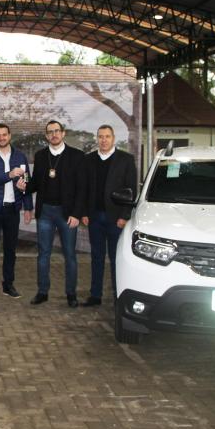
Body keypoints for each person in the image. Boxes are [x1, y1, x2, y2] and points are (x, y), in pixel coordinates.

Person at [18, 120, 85, 307]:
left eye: (57, 131)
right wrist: (24, 186)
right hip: (45, 212)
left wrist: (77, 214)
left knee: (70, 255)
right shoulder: (40, 156)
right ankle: (42, 291)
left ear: (63, 133)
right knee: (43, 254)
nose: (53, 134)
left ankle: (71, 294)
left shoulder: (77, 156)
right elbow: (35, 184)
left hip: (67, 213)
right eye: (50, 132)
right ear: (46, 136)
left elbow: (82, 188)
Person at [80, 124, 137, 307]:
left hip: (116, 219)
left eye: (107, 136)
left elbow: (131, 190)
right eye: (100, 136)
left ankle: (117, 296)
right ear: (97, 139)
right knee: (96, 257)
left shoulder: (125, 160)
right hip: (94, 217)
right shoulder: (88, 160)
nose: (103, 140)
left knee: (115, 258)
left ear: (113, 138)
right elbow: (84, 188)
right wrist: (84, 213)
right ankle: (95, 295)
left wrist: (124, 216)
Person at [0, 123, 34, 299]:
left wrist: (28, 207)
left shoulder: (20, 156)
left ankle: (8, 285)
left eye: (4, 134)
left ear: (10, 136)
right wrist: (9, 175)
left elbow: (27, 182)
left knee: (10, 249)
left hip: (13, 209)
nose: (1, 137)